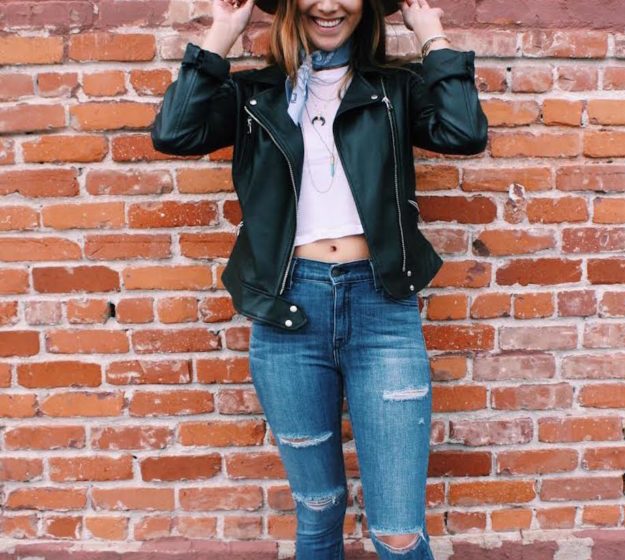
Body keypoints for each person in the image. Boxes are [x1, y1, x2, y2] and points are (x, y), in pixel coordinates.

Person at [150, 0, 487, 556]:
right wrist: (222, 33)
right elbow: (174, 132)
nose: (328, 4)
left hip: (382, 312)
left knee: (399, 530)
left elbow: (464, 131)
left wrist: (433, 37)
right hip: (289, 315)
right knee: (318, 510)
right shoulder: (255, 94)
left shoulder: (395, 89)